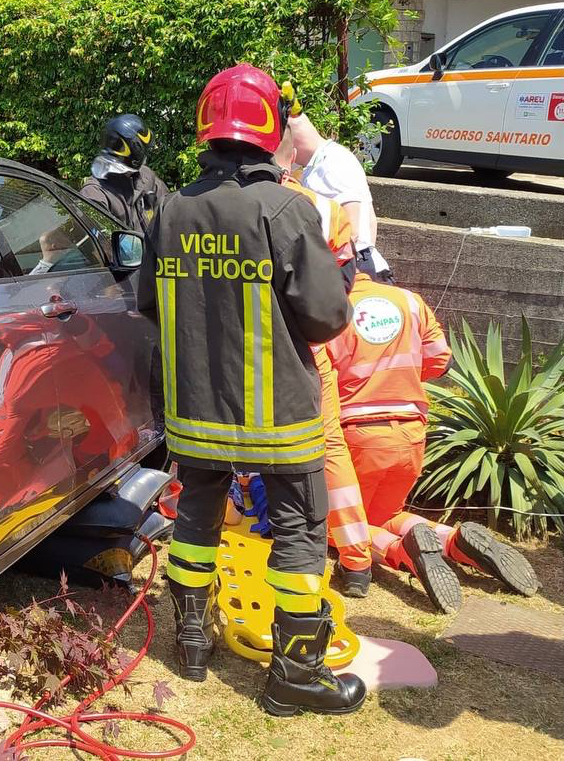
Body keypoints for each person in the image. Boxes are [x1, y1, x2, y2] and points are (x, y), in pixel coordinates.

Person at [137, 64, 364, 716]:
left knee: (196, 516)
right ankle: (294, 676)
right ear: (268, 129)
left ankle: (191, 642)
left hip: (195, 410)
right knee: (298, 529)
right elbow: (325, 317)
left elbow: (150, 302)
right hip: (279, 418)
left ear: (207, 127)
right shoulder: (286, 209)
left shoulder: (170, 210)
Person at [324, 272, 539, 613]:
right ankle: (453, 541)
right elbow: (440, 360)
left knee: (337, 528)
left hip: (358, 434)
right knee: (385, 513)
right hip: (411, 431)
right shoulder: (410, 300)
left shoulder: (329, 308)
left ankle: (401, 552)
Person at [274, 124, 375, 596]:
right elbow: (342, 292)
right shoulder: (325, 209)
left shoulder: (210, 206)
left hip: (236, 351)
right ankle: (354, 562)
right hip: (310, 352)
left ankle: (253, 542)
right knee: (326, 449)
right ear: (291, 159)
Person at [288, 113, 392, 282]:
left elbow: (352, 231)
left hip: (351, 266)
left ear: (292, 140)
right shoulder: (326, 160)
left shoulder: (330, 164)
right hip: (358, 264)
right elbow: (370, 220)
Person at [80, 114, 168, 232]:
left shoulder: (147, 177)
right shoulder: (95, 193)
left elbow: (169, 212)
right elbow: (96, 241)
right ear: (137, 152)